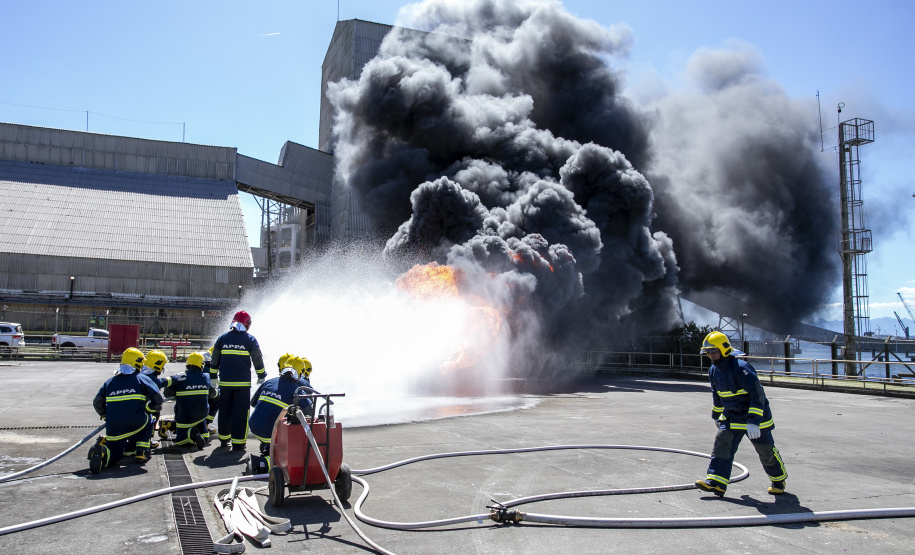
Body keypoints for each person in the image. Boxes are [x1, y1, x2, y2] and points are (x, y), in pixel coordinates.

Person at [695, 331, 788, 497]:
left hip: (756, 418)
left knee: (765, 450)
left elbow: (757, 395)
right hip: (733, 417)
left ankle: (778, 480)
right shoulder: (713, 371)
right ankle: (716, 483)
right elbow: (717, 396)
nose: (710, 355)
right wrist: (717, 416)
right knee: (722, 443)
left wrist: (753, 421)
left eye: (713, 351)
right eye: (708, 352)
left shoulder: (742, 368)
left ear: (724, 350)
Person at [88, 348, 164, 473]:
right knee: (150, 419)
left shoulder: (110, 382)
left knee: (116, 454)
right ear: (139, 363)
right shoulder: (142, 379)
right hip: (136, 422)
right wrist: (149, 409)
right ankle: (141, 451)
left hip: (113, 427)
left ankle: (103, 454)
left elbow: (97, 403)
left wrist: (105, 416)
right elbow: (158, 399)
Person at [247, 355, 315, 473]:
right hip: (269, 432)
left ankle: (267, 448)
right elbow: (310, 411)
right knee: (293, 437)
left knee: (277, 418)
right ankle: (264, 462)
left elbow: (253, 403)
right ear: (299, 372)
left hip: (253, 426)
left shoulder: (269, 381)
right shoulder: (296, 388)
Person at [210, 310, 266, 451]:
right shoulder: (250, 339)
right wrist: (261, 375)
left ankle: (223, 440)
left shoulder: (222, 339)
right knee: (241, 413)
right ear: (246, 324)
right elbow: (257, 359)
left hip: (225, 384)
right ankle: (239, 443)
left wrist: (213, 377)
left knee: (225, 411)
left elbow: (214, 360)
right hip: (242, 385)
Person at [163, 352, 217, 450]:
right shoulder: (206, 377)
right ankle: (202, 434)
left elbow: (167, 394)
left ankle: (191, 433)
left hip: (185, 416)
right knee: (204, 436)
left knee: (181, 441)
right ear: (201, 364)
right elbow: (212, 394)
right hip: (202, 415)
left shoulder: (180, 377)